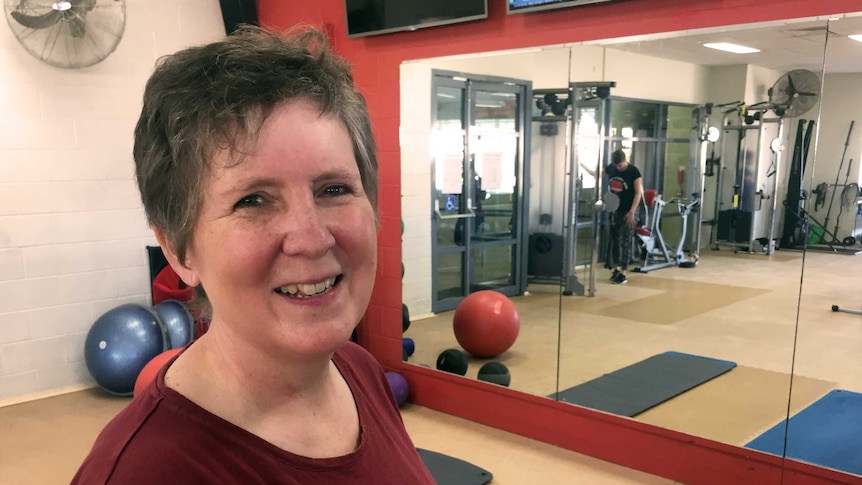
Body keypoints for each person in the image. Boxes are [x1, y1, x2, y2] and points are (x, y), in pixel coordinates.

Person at [72, 26, 435, 484]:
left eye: (334, 189)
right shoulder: (145, 473)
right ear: (178, 248)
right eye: (253, 201)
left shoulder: (355, 369)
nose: (311, 238)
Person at [606, 149, 643, 284]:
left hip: (629, 210)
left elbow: (638, 193)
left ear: (625, 160)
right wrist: (580, 164)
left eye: (620, 165)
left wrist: (632, 212)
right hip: (616, 210)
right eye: (616, 166)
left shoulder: (634, 171)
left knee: (625, 240)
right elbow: (597, 174)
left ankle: (623, 271)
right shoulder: (612, 168)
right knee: (615, 239)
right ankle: (615, 268)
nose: (618, 168)